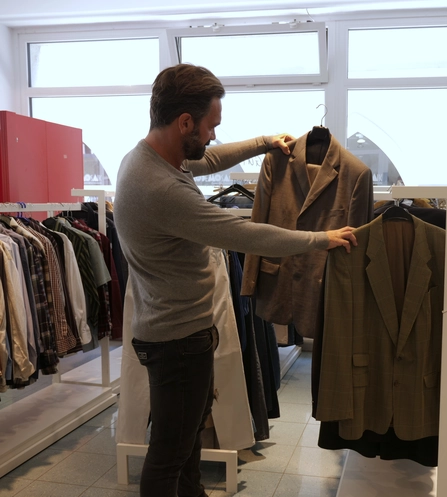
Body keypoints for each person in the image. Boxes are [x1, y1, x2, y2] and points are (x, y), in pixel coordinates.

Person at [113, 63, 358, 497]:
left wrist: (264, 142)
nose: (213, 136)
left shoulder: (144, 158)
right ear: (184, 122)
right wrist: (321, 239)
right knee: (170, 454)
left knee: (185, 443)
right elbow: (245, 234)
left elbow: (208, 159)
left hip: (170, 331)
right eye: (211, 126)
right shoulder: (162, 188)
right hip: (178, 341)